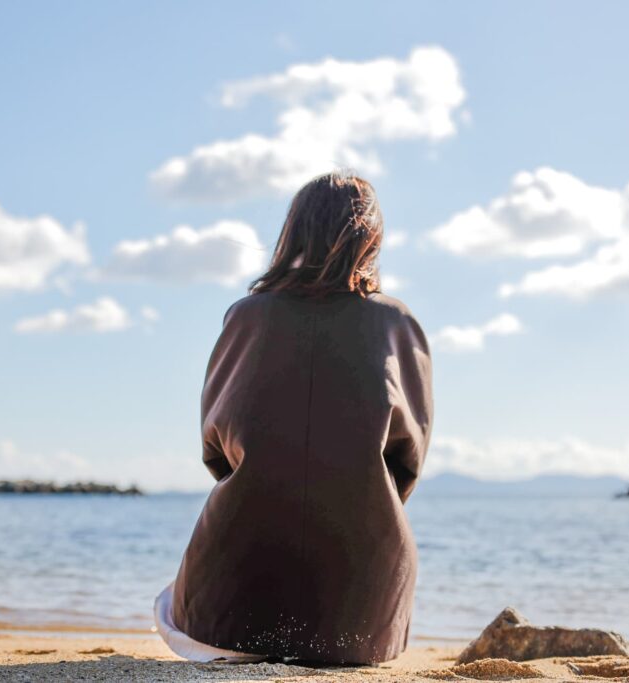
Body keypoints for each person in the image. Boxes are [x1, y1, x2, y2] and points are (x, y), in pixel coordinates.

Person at [153, 169, 434, 666]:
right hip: (361, 622)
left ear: (292, 232)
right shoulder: (397, 322)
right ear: (370, 237)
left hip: (234, 604)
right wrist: (361, 494)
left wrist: (263, 483)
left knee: (168, 601)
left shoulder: (246, 316)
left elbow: (216, 448)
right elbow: (407, 461)